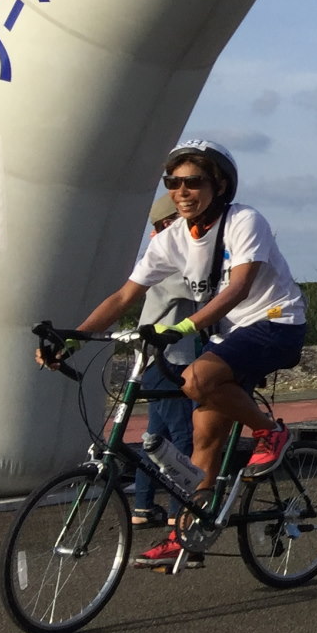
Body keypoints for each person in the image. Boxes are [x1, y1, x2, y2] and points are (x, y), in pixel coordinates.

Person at [50, 139, 304, 569]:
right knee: (204, 438)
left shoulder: (244, 221)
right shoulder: (171, 239)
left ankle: (270, 433)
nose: (181, 191)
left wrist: (185, 327)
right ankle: (187, 535)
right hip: (231, 335)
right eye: (173, 183)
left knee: (196, 379)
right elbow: (124, 297)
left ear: (219, 185)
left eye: (193, 182)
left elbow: (239, 287)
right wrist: (73, 339)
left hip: (277, 322)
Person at [130, 192, 201, 528]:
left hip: (153, 360)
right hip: (170, 358)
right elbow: (206, 290)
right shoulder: (173, 259)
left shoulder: (158, 255)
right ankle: (178, 509)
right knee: (182, 435)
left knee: (155, 437)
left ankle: (143, 507)